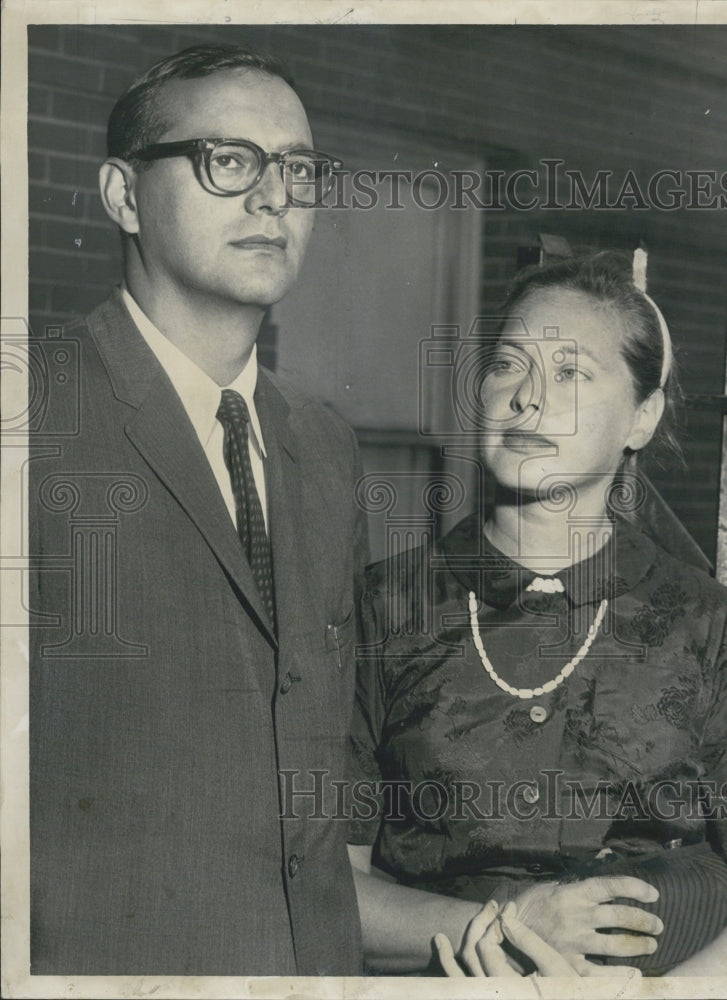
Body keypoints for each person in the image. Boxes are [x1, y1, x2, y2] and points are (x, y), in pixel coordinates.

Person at [29, 44, 366, 975]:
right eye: (229, 161)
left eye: (296, 170)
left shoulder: (326, 447)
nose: (273, 199)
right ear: (124, 196)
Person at [347, 251, 727, 976]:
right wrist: (501, 924)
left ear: (641, 417)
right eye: (508, 365)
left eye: (570, 373)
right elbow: (319, 890)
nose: (526, 400)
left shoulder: (708, 624)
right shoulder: (381, 609)